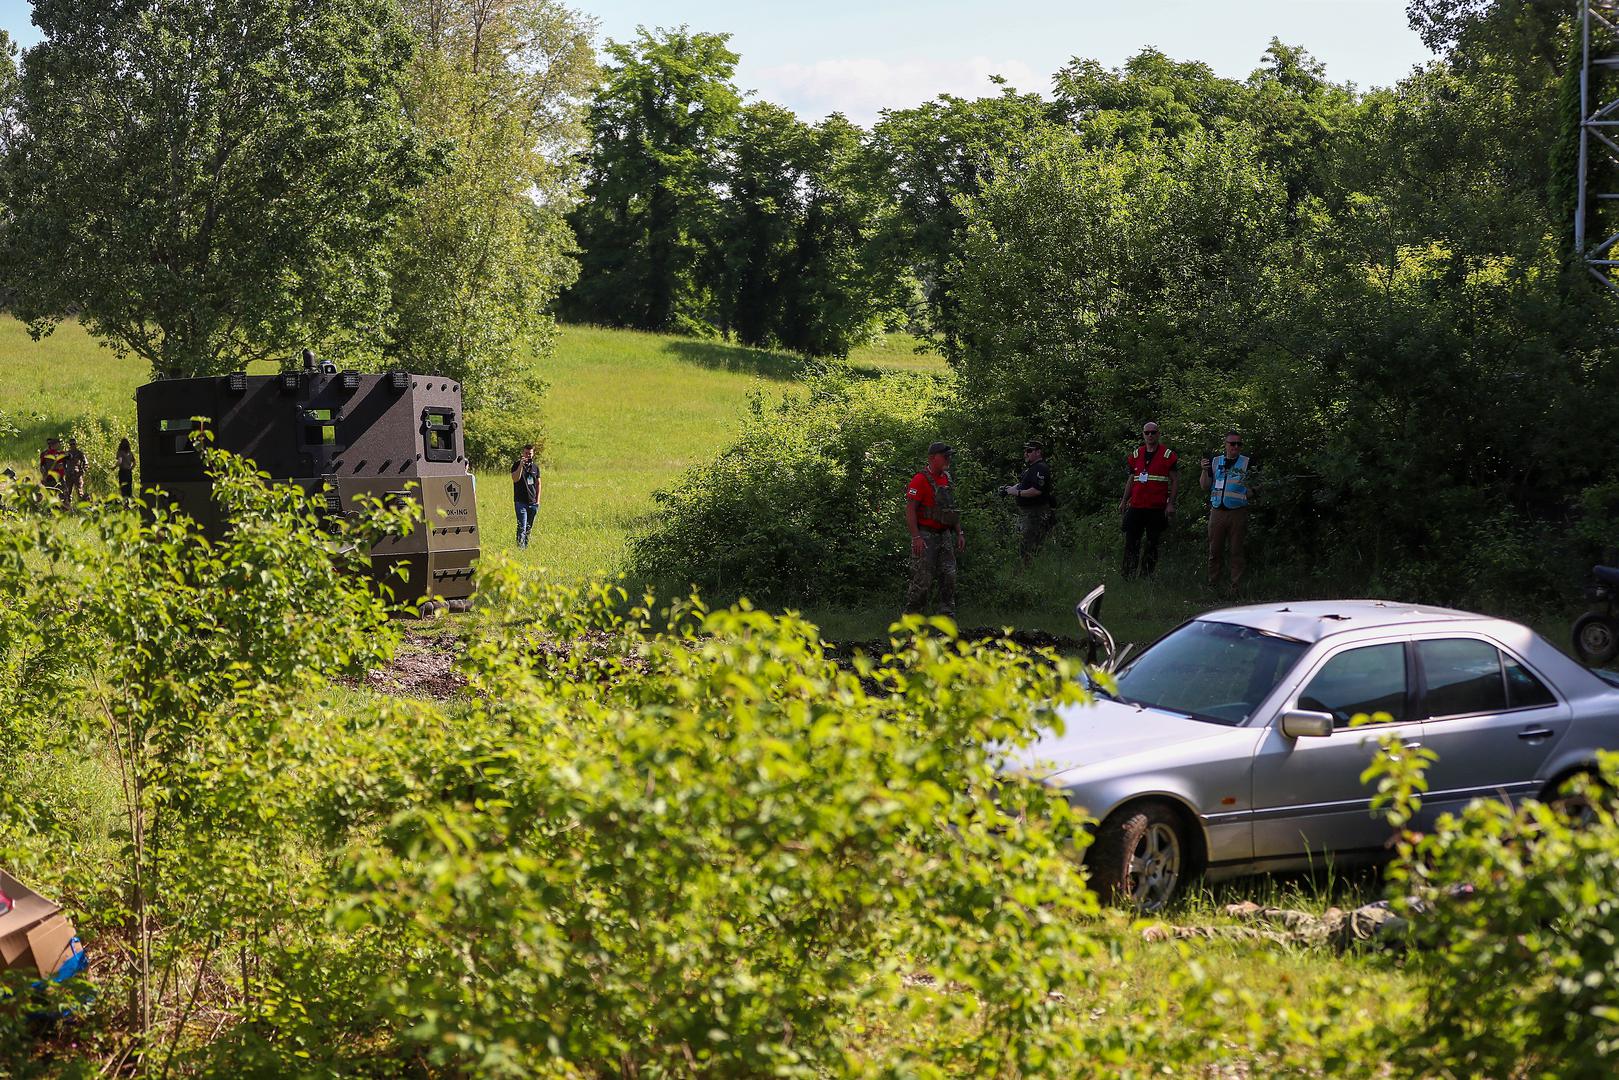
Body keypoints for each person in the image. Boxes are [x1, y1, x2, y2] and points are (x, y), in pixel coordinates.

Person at [905, 441, 964, 620]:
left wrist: (959, 532)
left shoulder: (947, 478)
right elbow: (910, 510)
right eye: (945, 456)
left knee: (949, 577)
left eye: (949, 456)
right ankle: (912, 621)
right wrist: (916, 537)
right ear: (932, 458)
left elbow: (950, 509)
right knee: (922, 581)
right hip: (925, 535)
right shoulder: (920, 480)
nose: (948, 459)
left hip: (944, 535)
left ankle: (946, 620)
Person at [1118, 421, 1178, 579]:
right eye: (1147, 433)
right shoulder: (1136, 454)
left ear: (1158, 434)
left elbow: (1175, 481)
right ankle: (1128, 576)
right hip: (1136, 505)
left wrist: (1170, 504)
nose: (1150, 435)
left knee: (1152, 543)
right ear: (1143, 435)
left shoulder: (1167, 455)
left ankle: (1146, 576)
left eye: (1153, 432)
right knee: (1131, 542)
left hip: (1156, 507)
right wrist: (1124, 500)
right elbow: (1131, 479)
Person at [1201, 431, 1253, 590]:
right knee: (1214, 551)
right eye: (1232, 443)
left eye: (1239, 444)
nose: (1235, 447)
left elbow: (1256, 485)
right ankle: (1213, 585)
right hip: (1217, 512)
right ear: (1226, 445)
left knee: (1236, 551)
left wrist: (1249, 492)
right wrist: (1204, 470)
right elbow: (1205, 486)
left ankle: (1236, 587)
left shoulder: (1247, 462)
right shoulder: (1215, 461)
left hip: (1238, 512)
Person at [1000, 439, 1055, 566]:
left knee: (1028, 545)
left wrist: (1017, 493)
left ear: (1038, 452)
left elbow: (1036, 490)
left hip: (1035, 513)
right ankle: (1026, 569)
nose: (1026, 453)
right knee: (1023, 543)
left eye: (1029, 451)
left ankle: (1027, 570)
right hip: (1027, 513)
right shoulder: (1031, 468)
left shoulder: (1040, 468)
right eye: (1025, 451)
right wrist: (1008, 489)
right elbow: (1023, 485)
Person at [510, 443, 541, 549]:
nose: (528, 455)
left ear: (533, 454)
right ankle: (520, 548)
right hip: (520, 502)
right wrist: (521, 466)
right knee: (522, 527)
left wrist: (537, 501)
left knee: (528, 527)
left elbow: (538, 484)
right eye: (526, 453)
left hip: (533, 503)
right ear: (522, 453)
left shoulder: (535, 467)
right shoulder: (516, 465)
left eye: (530, 453)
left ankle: (525, 547)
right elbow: (515, 479)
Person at [63, 438, 89, 505]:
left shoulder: (79, 453)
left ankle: (83, 506)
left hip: (77, 475)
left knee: (79, 492)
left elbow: (86, 463)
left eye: (73, 444)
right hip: (69, 475)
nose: (72, 445)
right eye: (71, 444)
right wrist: (65, 471)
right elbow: (63, 463)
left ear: (76, 444)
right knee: (67, 493)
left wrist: (82, 471)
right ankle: (68, 507)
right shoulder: (67, 454)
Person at [116, 437, 137, 501]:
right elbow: (134, 463)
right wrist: (130, 469)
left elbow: (120, 461)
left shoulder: (120, 452)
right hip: (129, 473)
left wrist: (114, 467)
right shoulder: (130, 453)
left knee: (123, 488)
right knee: (129, 488)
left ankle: (124, 502)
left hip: (123, 472)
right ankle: (129, 502)